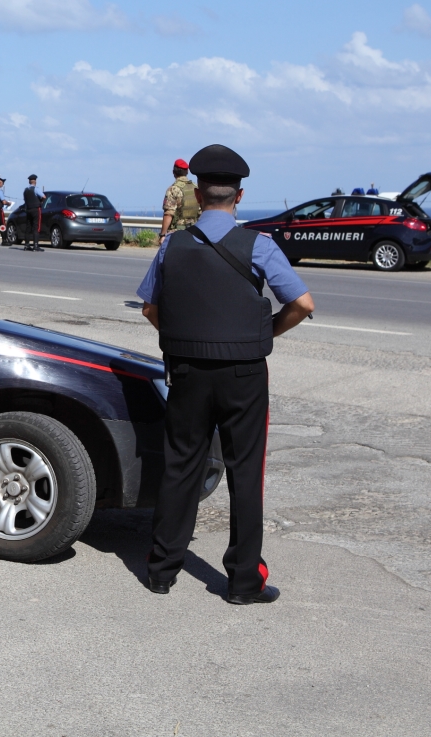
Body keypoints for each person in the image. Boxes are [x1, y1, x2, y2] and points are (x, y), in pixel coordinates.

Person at [135, 144, 316, 605]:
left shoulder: (171, 245)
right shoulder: (259, 245)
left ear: (197, 193)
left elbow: (150, 308)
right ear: (239, 196)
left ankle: (161, 570)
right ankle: (242, 581)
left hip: (188, 372)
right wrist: (264, 335)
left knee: (180, 468)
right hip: (243, 375)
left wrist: (184, 337)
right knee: (245, 473)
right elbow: (302, 305)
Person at [159, 158, 199, 244]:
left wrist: (162, 235)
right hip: (194, 233)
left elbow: (169, 214)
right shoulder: (196, 188)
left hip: (177, 234)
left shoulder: (173, 189)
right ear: (187, 172)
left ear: (173, 172)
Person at [22, 174, 45, 251]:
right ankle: (35, 245)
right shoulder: (36, 189)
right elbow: (43, 197)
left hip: (28, 209)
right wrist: (40, 202)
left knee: (28, 227)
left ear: (29, 181)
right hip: (35, 209)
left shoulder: (25, 190)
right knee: (36, 227)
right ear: (35, 181)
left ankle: (27, 245)